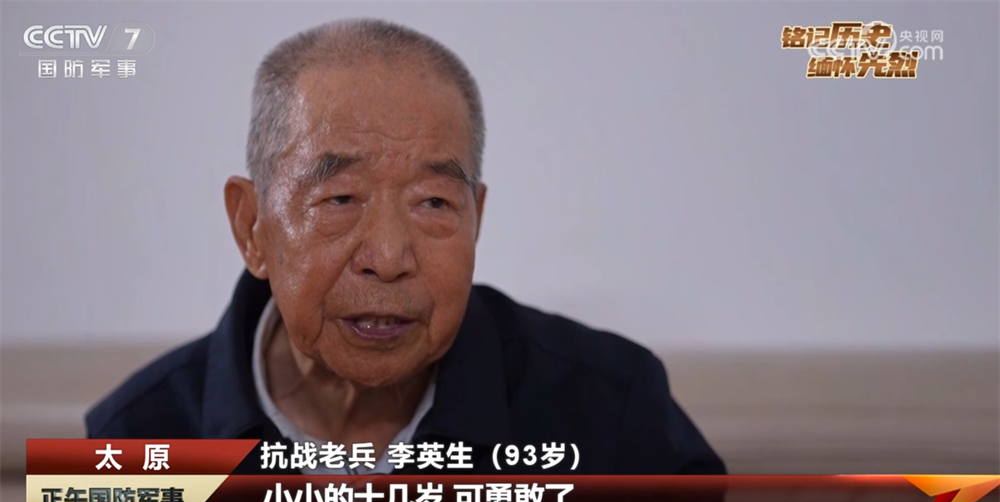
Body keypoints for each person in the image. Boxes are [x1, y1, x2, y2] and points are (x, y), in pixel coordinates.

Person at [86, 18, 726, 476]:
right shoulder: (139, 443)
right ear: (252, 226)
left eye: (433, 203)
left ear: (476, 220)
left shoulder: (611, 418)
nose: (389, 258)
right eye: (340, 198)